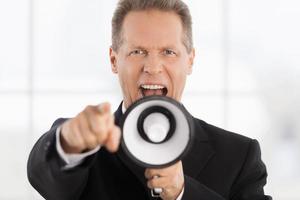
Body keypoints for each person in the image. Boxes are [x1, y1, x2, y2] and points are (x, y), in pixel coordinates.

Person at [27, 0, 272, 199]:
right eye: (137, 51)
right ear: (114, 60)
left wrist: (183, 193)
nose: (153, 67)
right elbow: (45, 175)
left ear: (190, 60)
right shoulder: (82, 146)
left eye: (168, 52)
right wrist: (68, 142)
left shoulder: (239, 156)